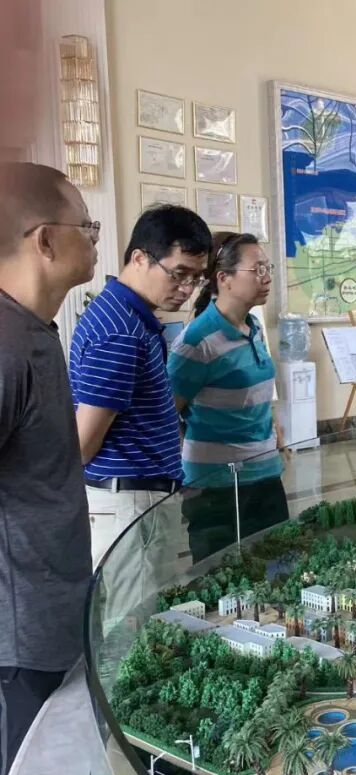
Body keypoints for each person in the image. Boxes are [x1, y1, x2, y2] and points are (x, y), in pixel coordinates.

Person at [0, 162, 97, 775]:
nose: (94, 238)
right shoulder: (6, 344)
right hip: (18, 635)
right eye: (86, 226)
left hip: (49, 612)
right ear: (45, 240)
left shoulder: (32, 330)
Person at [71, 204, 211, 568]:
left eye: (196, 278)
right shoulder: (120, 332)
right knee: (139, 606)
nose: (186, 289)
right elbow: (83, 444)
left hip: (137, 499)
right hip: (131, 505)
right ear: (139, 258)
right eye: (178, 274)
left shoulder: (126, 316)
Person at [168, 232, 288, 563]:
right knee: (224, 578)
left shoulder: (254, 327)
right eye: (257, 269)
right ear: (224, 278)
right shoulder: (197, 342)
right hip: (217, 487)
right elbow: (166, 415)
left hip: (266, 474)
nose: (266, 278)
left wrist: (274, 430)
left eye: (268, 268)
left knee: (278, 570)